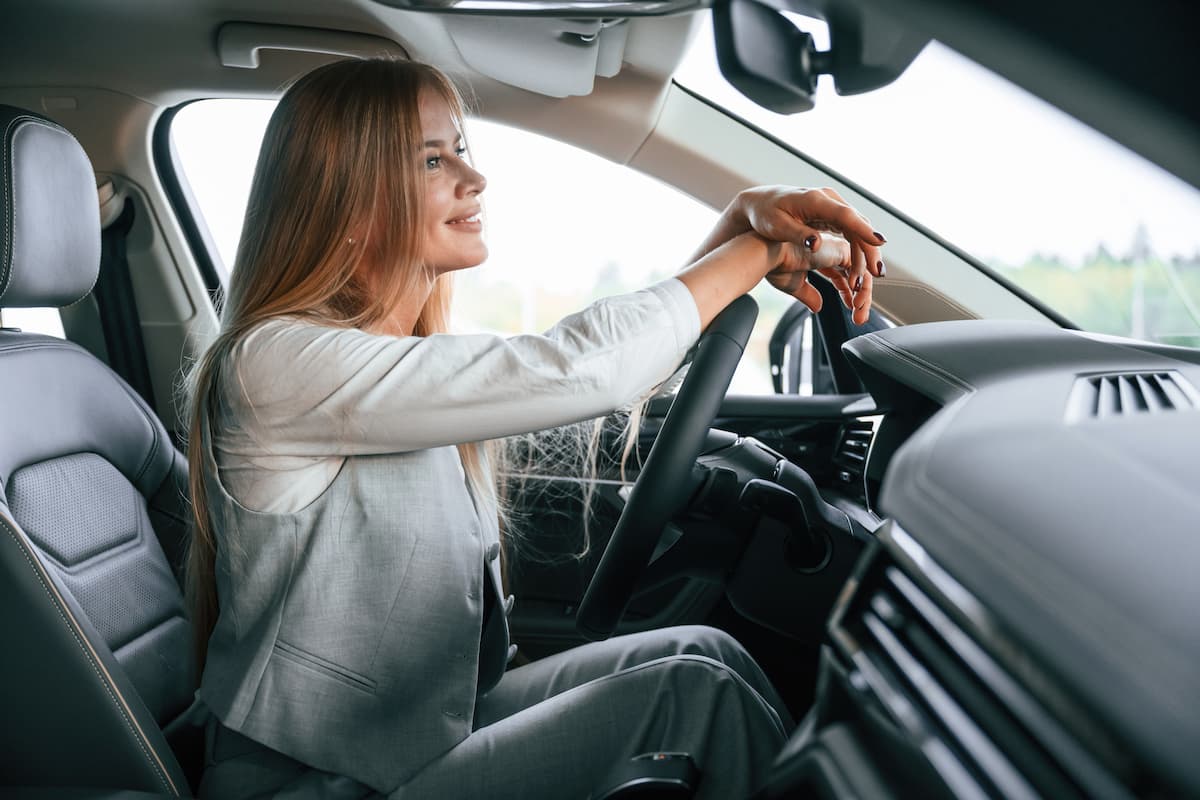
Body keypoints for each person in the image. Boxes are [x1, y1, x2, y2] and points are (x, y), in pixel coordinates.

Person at [185, 57, 886, 800]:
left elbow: (589, 374)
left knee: (706, 654)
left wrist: (735, 225)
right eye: (432, 159)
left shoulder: (391, 371)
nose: (473, 178)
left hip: (408, 739)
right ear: (348, 206)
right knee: (695, 691)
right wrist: (761, 249)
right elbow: (573, 369)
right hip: (315, 781)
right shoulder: (275, 364)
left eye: (461, 148)